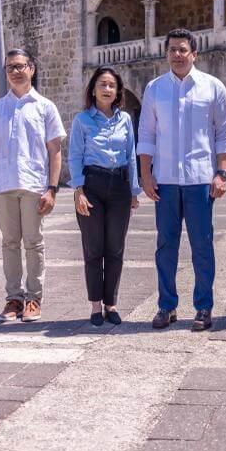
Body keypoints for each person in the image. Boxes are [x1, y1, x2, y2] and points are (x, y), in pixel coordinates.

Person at [139, 28, 226, 332]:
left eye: (182, 49)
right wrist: (145, 174)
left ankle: (203, 307)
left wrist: (222, 173)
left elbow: (223, 132)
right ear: (166, 54)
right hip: (165, 179)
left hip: (200, 180)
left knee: (202, 245)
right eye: (172, 50)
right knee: (165, 246)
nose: (177, 55)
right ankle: (167, 306)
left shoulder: (213, 87)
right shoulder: (155, 88)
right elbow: (146, 133)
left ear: (194, 54)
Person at [0, 48, 66, 323]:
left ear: (32, 69)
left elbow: (55, 150)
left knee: (33, 242)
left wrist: (52, 189)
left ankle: (33, 298)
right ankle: (14, 298)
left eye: (20, 66)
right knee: (9, 243)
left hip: (33, 184)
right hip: (3, 185)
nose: (15, 71)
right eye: (10, 67)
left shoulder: (45, 107)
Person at [69, 67, 141, 327]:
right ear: (93, 90)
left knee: (115, 248)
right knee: (93, 248)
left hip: (119, 187)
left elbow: (131, 155)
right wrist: (78, 191)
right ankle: (95, 305)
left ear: (118, 91)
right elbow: (75, 156)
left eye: (111, 85)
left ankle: (111, 304)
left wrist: (134, 190)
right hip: (91, 186)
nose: (107, 89)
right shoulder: (82, 120)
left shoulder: (125, 120)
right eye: (102, 84)